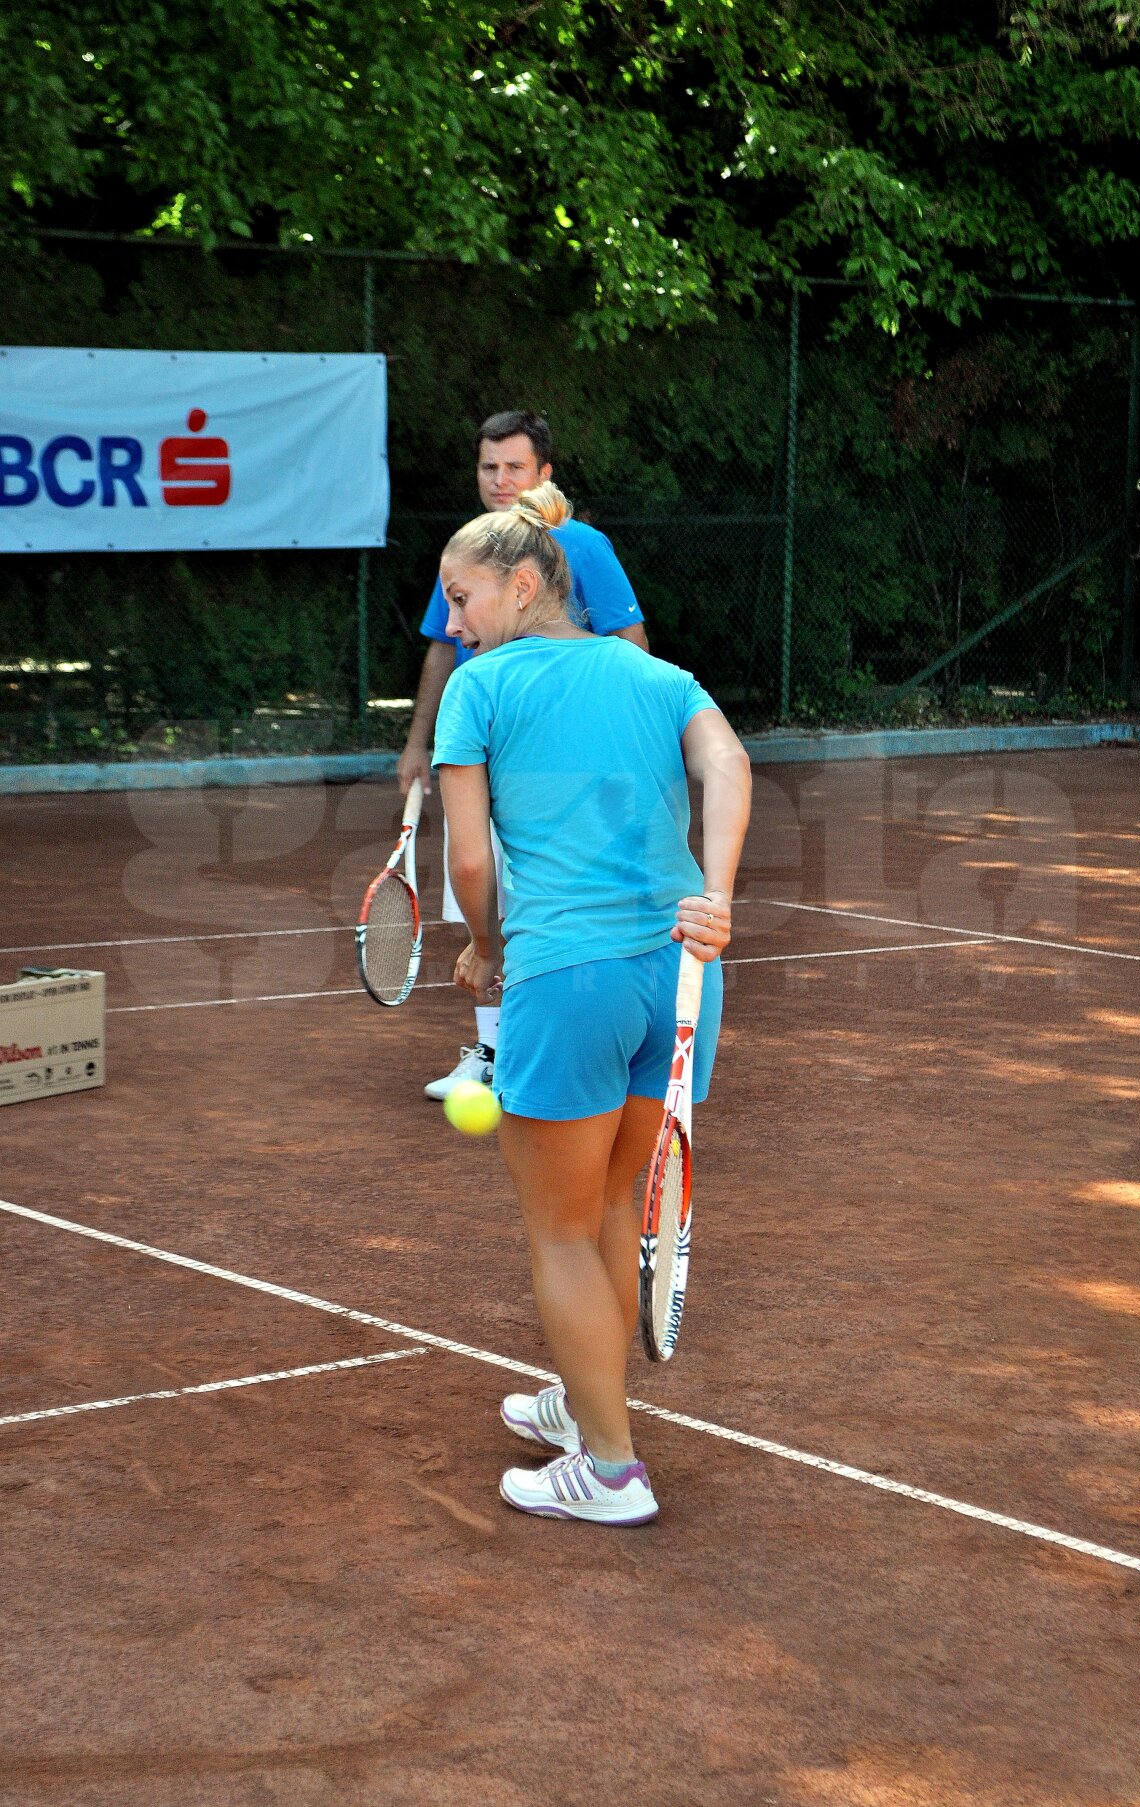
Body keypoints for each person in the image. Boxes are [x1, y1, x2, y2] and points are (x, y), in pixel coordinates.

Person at [433, 481, 752, 1524]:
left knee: (560, 1230)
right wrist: (716, 897)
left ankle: (610, 1470)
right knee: (612, 1205)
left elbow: (470, 855)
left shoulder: (480, 690)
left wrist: (486, 948)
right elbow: (728, 761)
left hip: (567, 979)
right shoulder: (657, 674)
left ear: (524, 585)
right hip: (678, 978)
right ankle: (587, 1405)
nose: (455, 621)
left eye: (464, 596)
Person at [396, 410, 649, 1101]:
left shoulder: (583, 546)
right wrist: (419, 742)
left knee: (572, 901)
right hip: (487, 757)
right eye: (489, 467)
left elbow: (632, 643)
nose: (501, 479)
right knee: (485, 902)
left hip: (571, 767)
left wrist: (630, 741)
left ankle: (594, 1045)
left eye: (515, 466)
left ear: (544, 474)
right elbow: (445, 646)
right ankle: (493, 1050)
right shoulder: (473, 551)